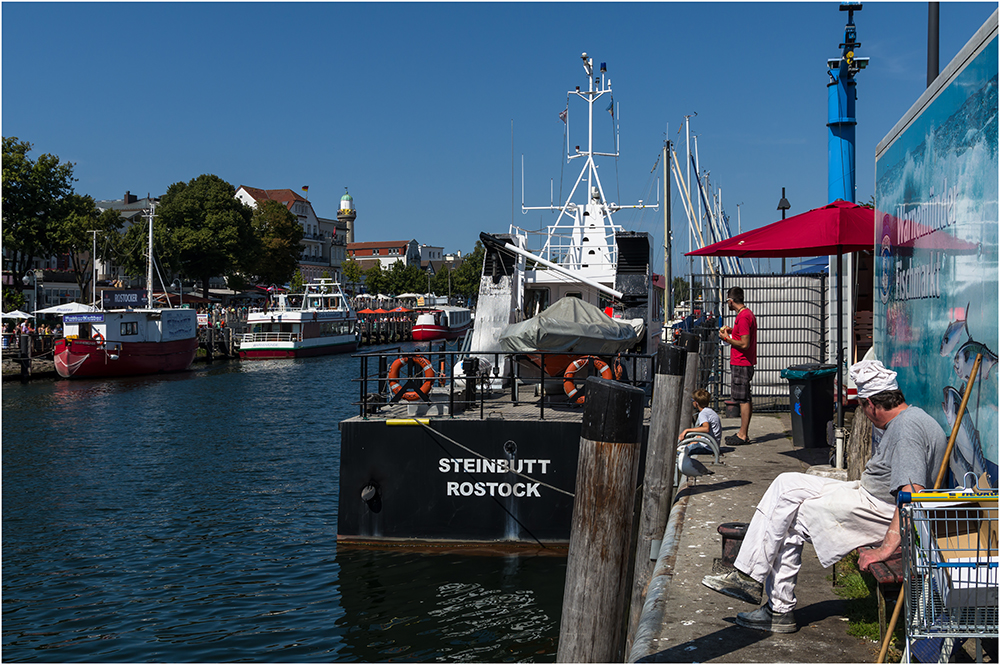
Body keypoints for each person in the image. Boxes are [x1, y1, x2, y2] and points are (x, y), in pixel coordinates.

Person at [700, 359, 947, 634]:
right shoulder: (914, 418)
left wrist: (885, 549)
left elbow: (911, 495)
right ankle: (747, 576)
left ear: (871, 404)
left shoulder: (905, 431)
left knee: (794, 517)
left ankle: (776, 609)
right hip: (869, 495)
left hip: (878, 508)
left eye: (862, 408)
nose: (864, 415)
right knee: (787, 483)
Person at [719, 286, 756, 445]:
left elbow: (744, 343)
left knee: (743, 398)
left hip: (742, 362)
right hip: (743, 362)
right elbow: (742, 334)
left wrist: (727, 338)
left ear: (731, 301)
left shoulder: (743, 317)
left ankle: (743, 434)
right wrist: (732, 330)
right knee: (743, 397)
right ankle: (742, 433)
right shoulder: (746, 315)